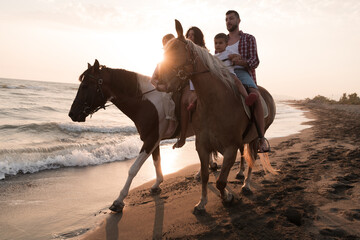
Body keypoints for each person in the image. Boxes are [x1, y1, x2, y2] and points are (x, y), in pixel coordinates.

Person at [225, 10, 270, 153]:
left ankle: (261, 139)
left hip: (242, 71)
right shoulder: (222, 39)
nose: (228, 21)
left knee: (255, 97)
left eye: (231, 18)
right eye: (226, 19)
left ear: (239, 21)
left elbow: (255, 61)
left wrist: (241, 61)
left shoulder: (248, 38)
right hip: (225, 73)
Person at [172, 27, 207, 149]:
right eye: (189, 35)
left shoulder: (203, 51)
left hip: (202, 83)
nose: (190, 37)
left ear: (198, 37)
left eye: (193, 35)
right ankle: (182, 136)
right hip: (188, 83)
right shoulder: (185, 52)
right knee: (181, 101)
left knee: (188, 101)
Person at [214, 33, 257, 106]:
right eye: (216, 43)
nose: (218, 45)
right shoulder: (214, 57)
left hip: (230, 74)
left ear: (226, 44)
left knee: (238, 82)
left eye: (220, 43)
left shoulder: (228, 53)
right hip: (220, 75)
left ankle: (247, 97)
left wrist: (234, 58)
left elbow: (239, 57)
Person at [151, 34, 177, 138]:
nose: (167, 45)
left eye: (169, 42)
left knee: (166, 96)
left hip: (175, 87)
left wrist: (168, 86)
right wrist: (158, 86)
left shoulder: (178, 58)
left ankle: (171, 123)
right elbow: (153, 79)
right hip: (163, 87)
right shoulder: (161, 62)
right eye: (165, 43)